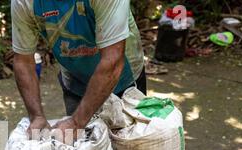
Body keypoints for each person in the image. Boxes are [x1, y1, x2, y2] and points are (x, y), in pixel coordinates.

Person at [11, 0, 146, 142]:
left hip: (124, 76)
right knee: (79, 149)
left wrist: (77, 122)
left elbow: (112, 60)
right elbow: (23, 61)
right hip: (75, 78)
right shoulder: (25, 2)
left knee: (129, 148)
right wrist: (36, 116)